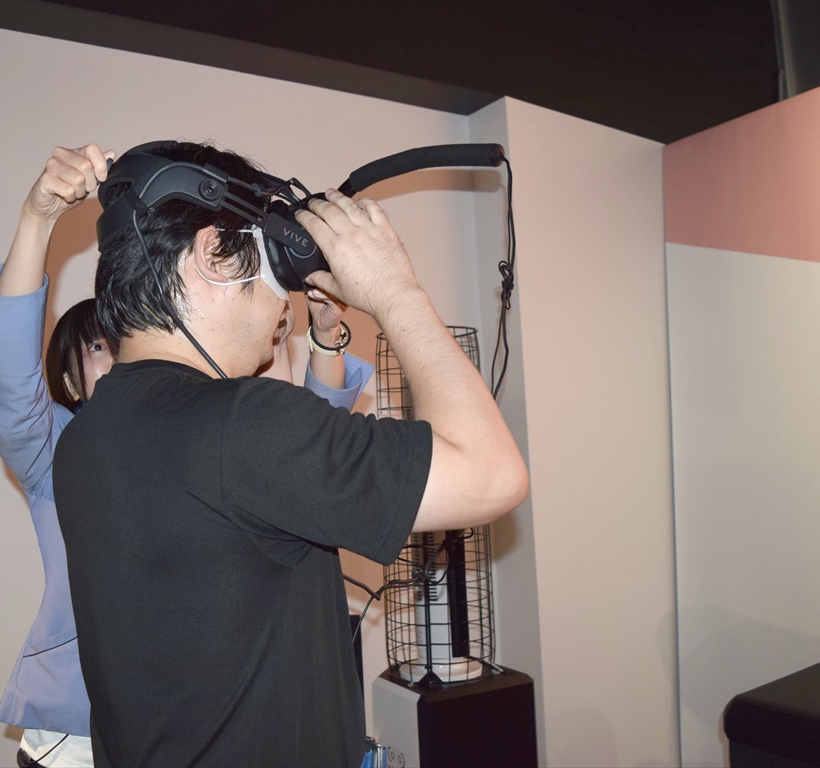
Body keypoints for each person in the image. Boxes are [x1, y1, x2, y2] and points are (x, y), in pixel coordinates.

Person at [53, 140, 529, 767]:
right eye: (273, 269)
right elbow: (492, 473)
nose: (285, 301)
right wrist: (396, 292)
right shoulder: (240, 423)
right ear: (214, 256)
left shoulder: (86, 437)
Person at [0, 144, 374, 768]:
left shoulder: (205, 425)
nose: (119, 357)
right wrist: (37, 218)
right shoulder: (63, 451)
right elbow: (7, 387)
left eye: (117, 342)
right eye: (97, 348)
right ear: (69, 380)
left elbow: (313, 457)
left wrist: (325, 336)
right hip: (79, 738)